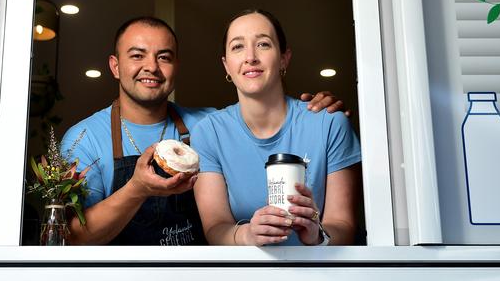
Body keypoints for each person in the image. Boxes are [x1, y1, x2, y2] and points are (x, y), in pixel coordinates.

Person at [60, 16, 348, 245]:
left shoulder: (207, 126)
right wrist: (136, 189)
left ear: (176, 66)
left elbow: (258, 109)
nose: (151, 67)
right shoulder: (83, 140)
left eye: (164, 57)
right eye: (137, 56)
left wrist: (316, 112)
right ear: (115, 66)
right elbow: (72, 238)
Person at [191, 9, 362, 246]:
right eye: (237, 47)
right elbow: (215, 227)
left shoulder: (329, 123)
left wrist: (317, 235)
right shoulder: (208, 132)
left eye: (263, 44)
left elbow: (343, 226)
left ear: (284, 58)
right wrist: (248, 235)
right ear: (226, 65)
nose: (250, 57)